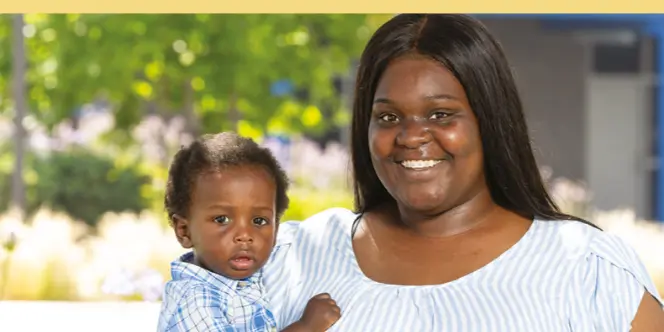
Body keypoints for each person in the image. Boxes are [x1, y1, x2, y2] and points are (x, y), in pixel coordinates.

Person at [262, 14, 664, 331]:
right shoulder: (290, 257)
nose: (411, 136)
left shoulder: (586, 268)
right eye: (388, 116)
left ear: (488, 120)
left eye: (441, 114)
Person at [157, 132, 341, 332]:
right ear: (184, 231)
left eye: (259, 221)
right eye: (222, 219)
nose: (245, 235)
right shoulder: (195, 301)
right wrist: (307, 327)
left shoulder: (248, 277)